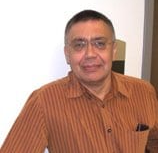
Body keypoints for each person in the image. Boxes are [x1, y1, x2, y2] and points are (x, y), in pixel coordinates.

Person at [1, 9, 158, 153]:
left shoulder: (143, 92)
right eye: (79, 45)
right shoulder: (44, 101)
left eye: (100, 44)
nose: (90, 54)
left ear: (114, 50)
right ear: (67, 54)